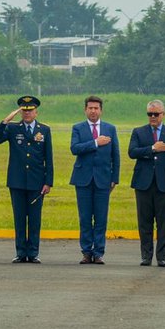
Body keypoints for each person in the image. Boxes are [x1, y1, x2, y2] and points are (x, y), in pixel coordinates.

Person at [0, 96, 53, 264]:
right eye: (24, 110)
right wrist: (5, 121)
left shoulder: (44, 130)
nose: (27, 113)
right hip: (17, 181)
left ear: (36, 112)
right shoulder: (12, 128)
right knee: (19, 218)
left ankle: (33, 253)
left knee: (34, 219)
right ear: (20, 112)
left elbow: (48, 157)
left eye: (30, 110)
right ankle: (20, 252)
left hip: (36, 181)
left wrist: (48, 182)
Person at [127, 100, 165, 267]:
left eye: (156, 114)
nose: (153, 117)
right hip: (143, 183)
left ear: (163, 114)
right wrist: (152, 148)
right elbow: (132, 152)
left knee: (163, 223)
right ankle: (146, 256)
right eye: (150, 114)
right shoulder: (138, 132)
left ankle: (162, 257)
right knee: (144, 222)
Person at [69, 95, 120, 264]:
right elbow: (75, 148)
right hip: (83, 179)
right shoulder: (78, 128)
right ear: (85, 110)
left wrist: (115, 178)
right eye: (90, 108)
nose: (93, 111)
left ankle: (98, 253)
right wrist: (96, 143)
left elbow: (115, 155)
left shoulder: (110, 129)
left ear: (101, 110)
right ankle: (86, 252)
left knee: (101, 218)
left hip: (103, 179)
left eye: (96, 108)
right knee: (85, 218)